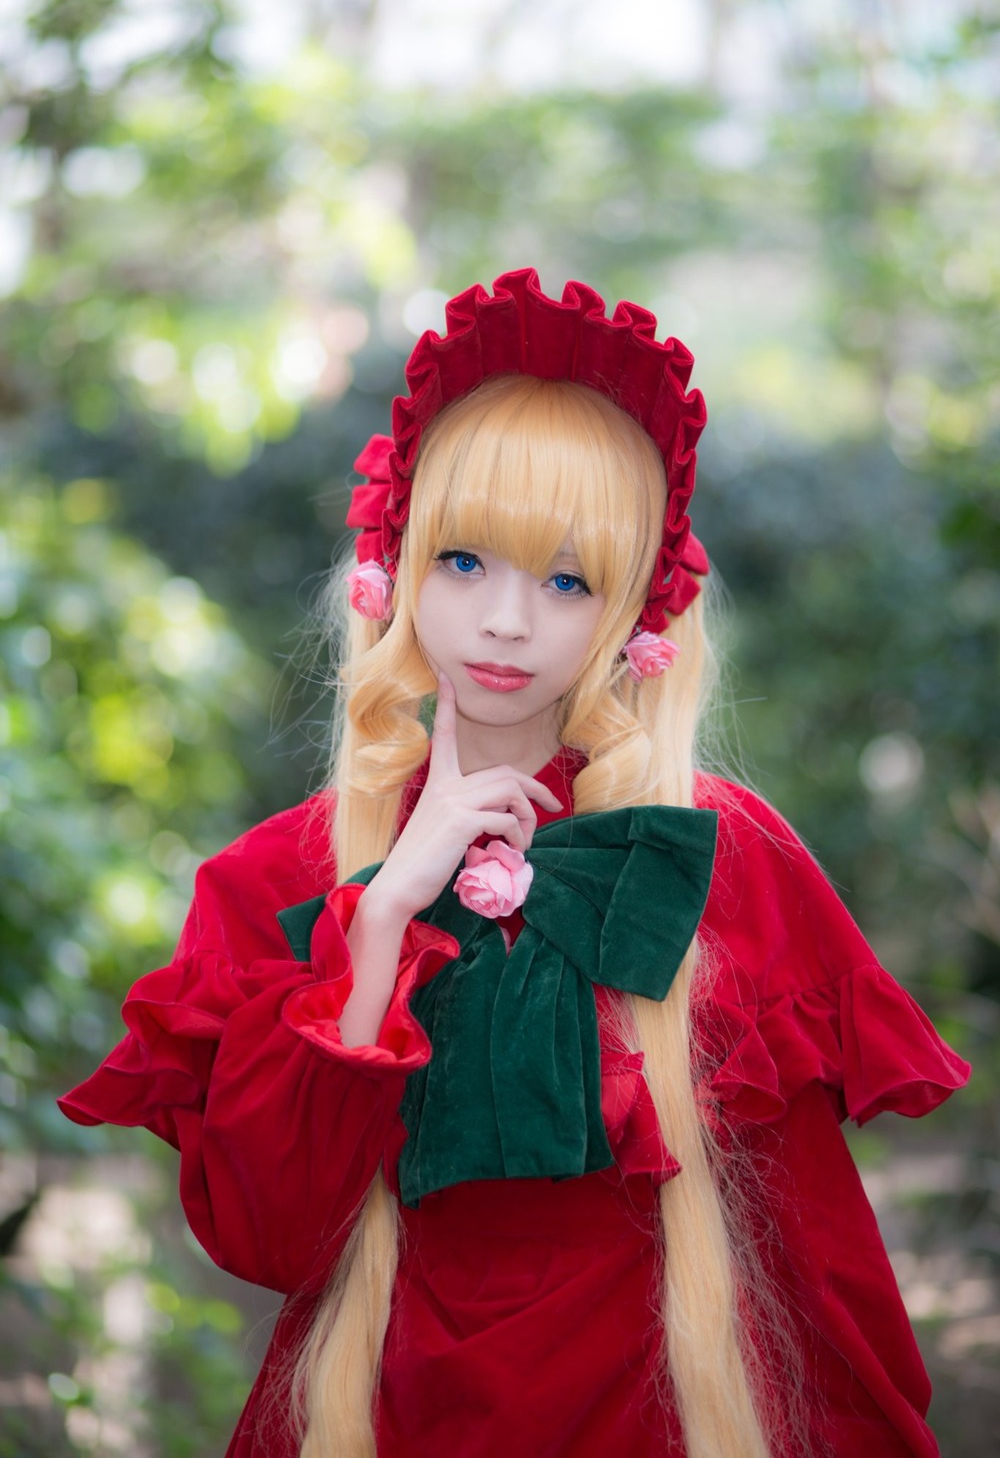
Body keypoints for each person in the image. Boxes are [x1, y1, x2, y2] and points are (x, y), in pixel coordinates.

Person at [60, 269, 970, 1458]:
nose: (504, 622)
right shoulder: (270, 881)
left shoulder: (712, 859)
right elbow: (266, 1243)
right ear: (395, 559)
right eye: (464, 562)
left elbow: (818, 1263)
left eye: (566, 580)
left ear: (639, 608)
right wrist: (380, 919)